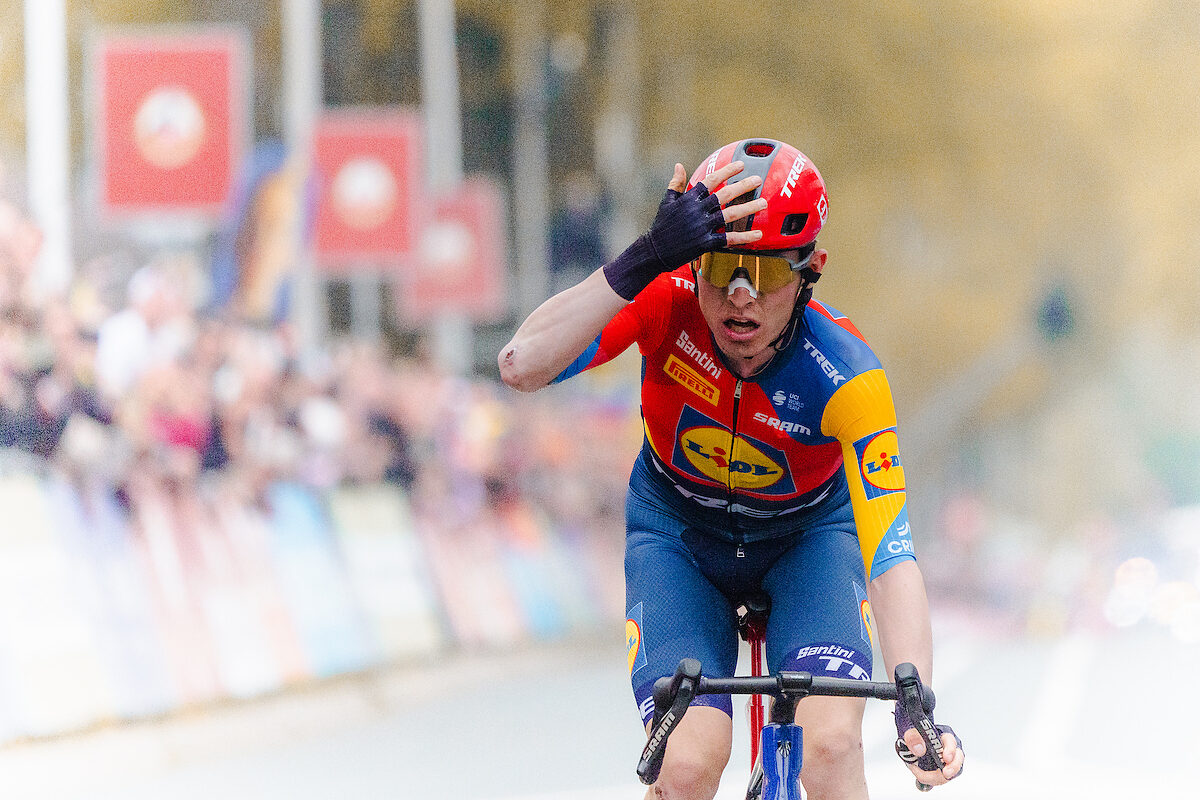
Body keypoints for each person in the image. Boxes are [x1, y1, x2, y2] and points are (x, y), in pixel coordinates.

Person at [499, 139, 964, 799]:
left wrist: (913, 695)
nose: (740, 299)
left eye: (768, 276)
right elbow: (521, 364)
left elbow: (891, 557)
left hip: (806, 543)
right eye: (722, 269)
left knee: (829, 746)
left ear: (811, 271)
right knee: (687, 766)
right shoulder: (665, 297)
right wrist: (648, 256)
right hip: (678, 538)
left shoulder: (848, 374)